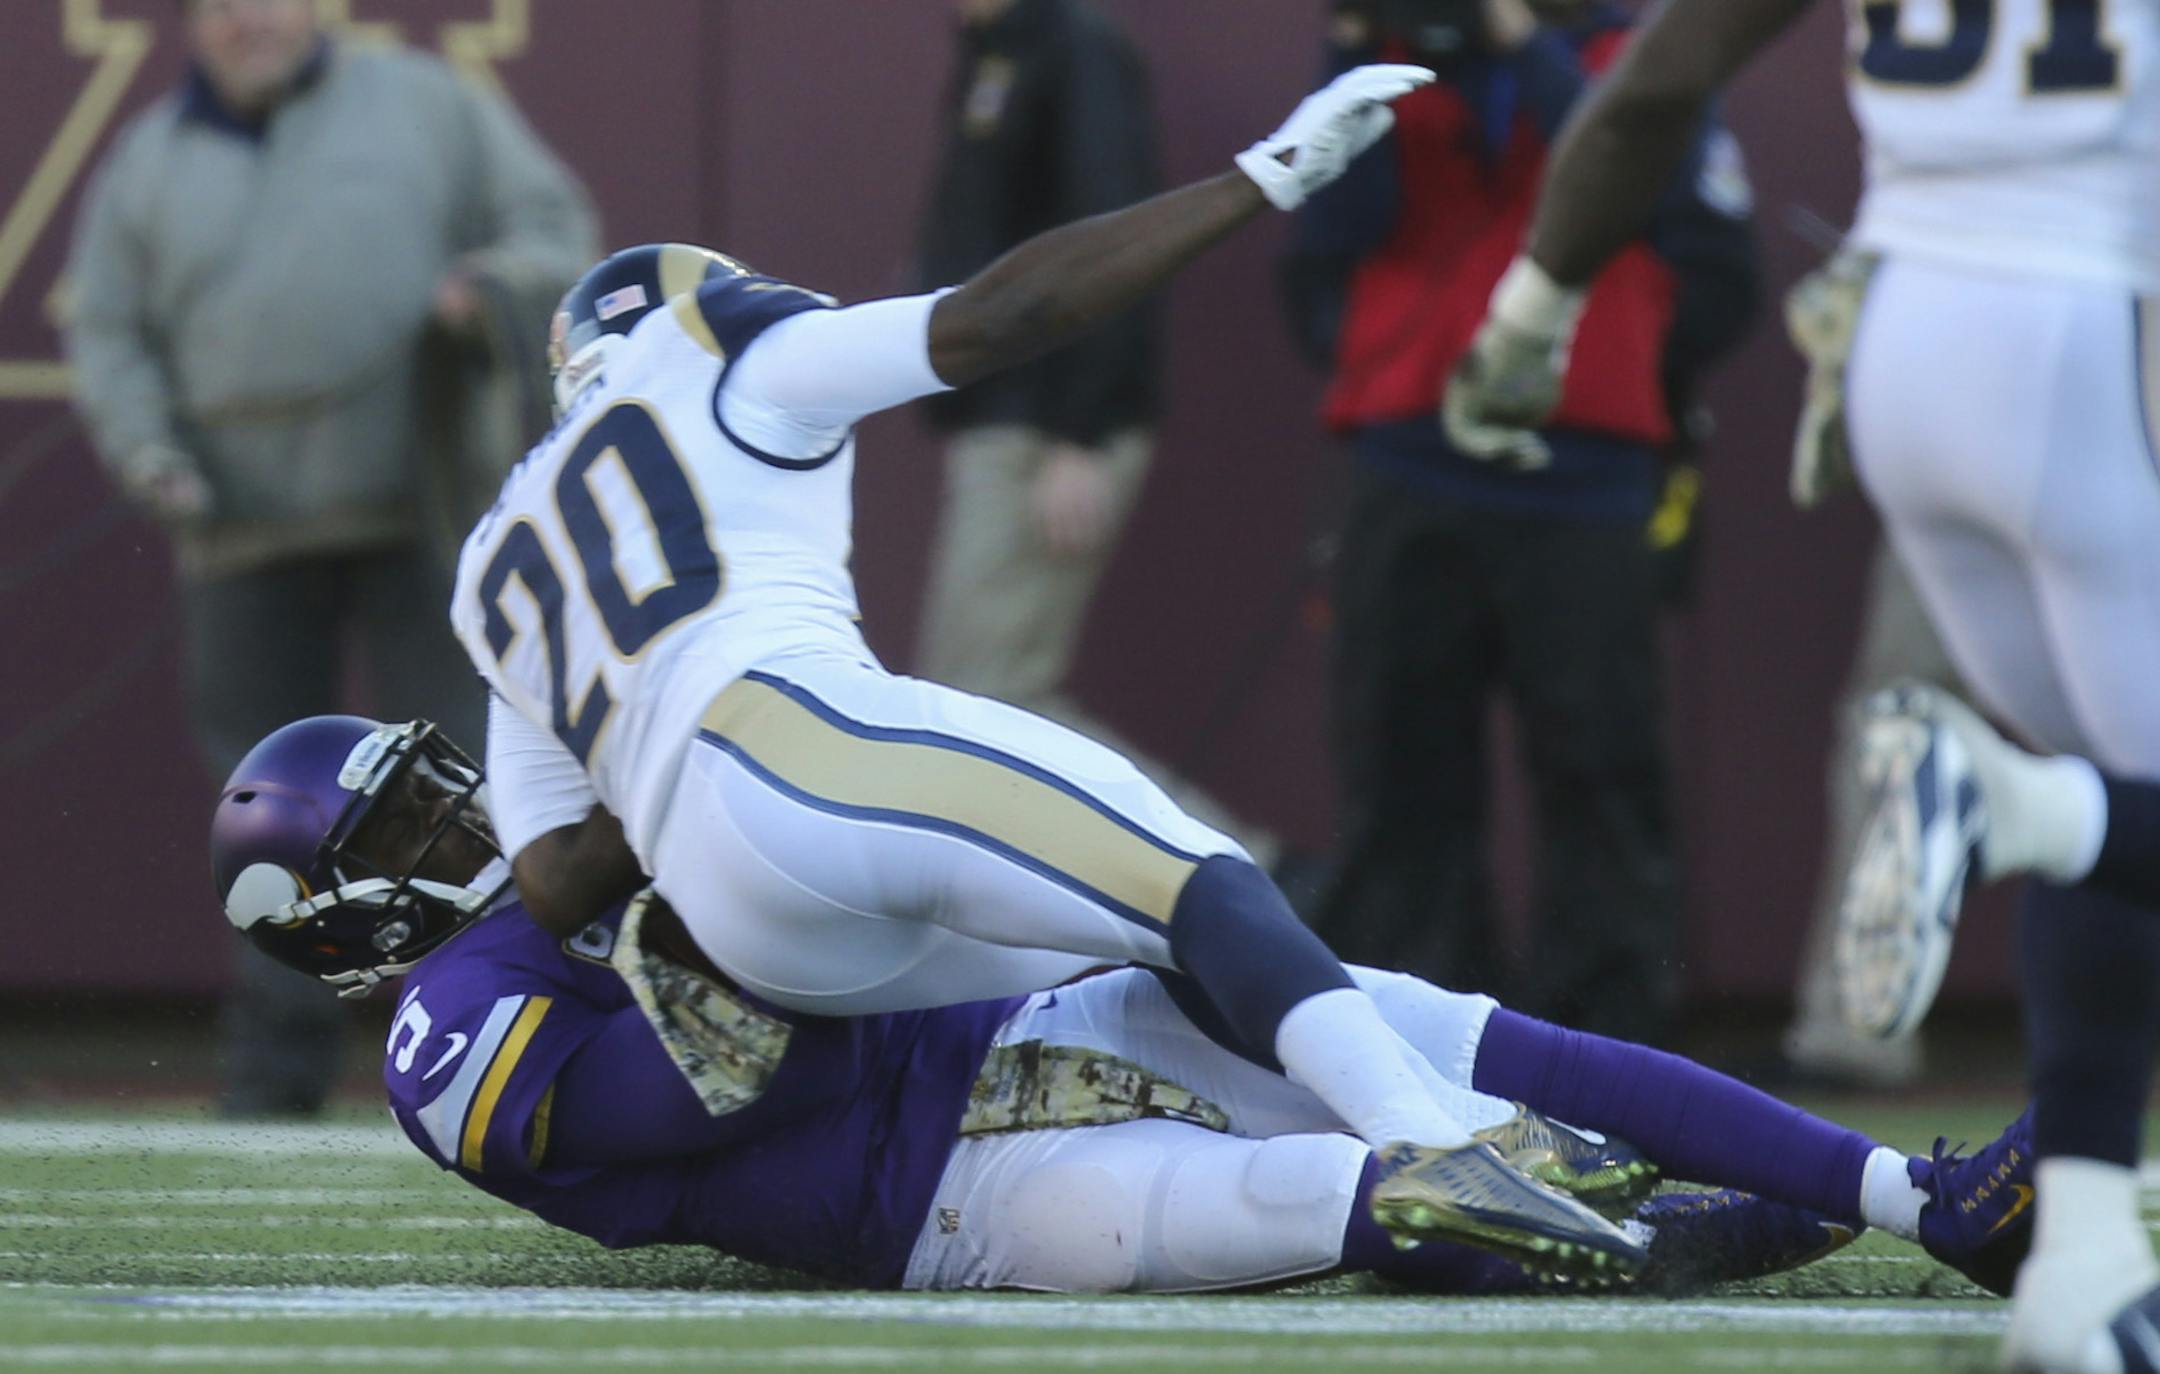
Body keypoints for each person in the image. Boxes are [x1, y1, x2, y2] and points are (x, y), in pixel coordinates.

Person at [446, 64, 1665, 1276]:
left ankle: (1439, 1150)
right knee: (1184, 899)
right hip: (804, 752)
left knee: (1128, 955)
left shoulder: (501, 549)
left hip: (734, 906)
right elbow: (995, 318)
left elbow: (551, 878)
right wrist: (1259, 178)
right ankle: (1437, 1140)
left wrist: (650, 758)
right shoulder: (713, 353)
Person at [210, 711, 2038, 1298]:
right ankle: (1765, 1220)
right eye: (421, 818)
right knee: (1376, 1190)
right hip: (938, 1196)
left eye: (459, 785)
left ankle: (1915, 1196)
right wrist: (697, 861)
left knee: (1457, 1048)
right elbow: (701, 1099)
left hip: (997, 1039)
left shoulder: (568, 896)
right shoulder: (445, 1030)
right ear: (348, 909)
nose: (476, 813)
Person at [1438, 0, 2160, 1365]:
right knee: (2084, 807)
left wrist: (1531, 310)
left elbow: (1660, 80)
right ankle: (2001, 808)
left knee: (2113, 810)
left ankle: (2084, 1259)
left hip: (1910, 337)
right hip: (2097, 323)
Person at [63, 0, 598, 1117]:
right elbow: (108, 331)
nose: (247, 22)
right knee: (266, 826)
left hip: (425, 517)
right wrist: (150, 454)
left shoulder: (427, 105)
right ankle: (273, 1085)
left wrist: (488, 286)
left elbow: (557, 234)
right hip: (239, 532)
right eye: (220, 6)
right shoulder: (148, 159)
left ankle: (514, 1048)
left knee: (470, 799)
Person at [1279, 0, 1758, 1044]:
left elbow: (1683, 219)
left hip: (1583, 460)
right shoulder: (1392, 50)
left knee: (1600, 767)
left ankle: (1607, 1040)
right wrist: (1356, 49)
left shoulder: (1631, 53)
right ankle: (1409, 1030)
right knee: (1399, 771)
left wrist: (1518, 46)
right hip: (1408, 449)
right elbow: (1331, 231)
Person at [912, 0, 1270, 861]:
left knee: (987, 697)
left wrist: (1082, 434)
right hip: (1003, 420)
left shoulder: (1079, 50)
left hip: (1050, 429)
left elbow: (1118, 244)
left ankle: (1235, 868)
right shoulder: (995, 51)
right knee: (974, 702)